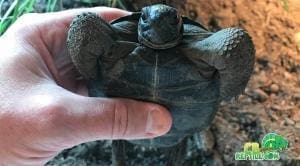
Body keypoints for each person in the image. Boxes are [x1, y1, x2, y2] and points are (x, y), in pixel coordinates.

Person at [0, 7, 172, 165]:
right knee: (85, 25)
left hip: (174, 119)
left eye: (171, 20)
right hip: (130, 111)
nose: (157, 23)